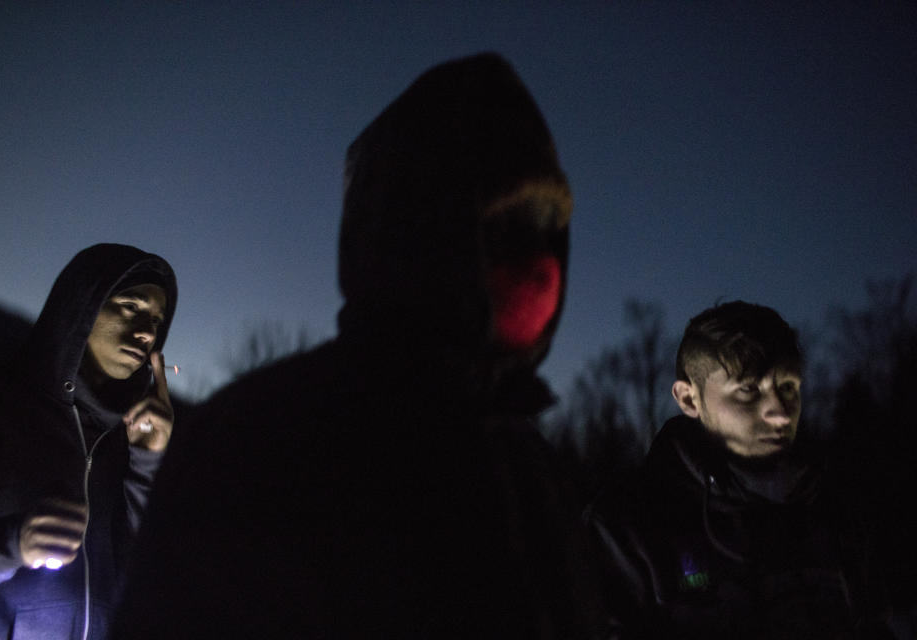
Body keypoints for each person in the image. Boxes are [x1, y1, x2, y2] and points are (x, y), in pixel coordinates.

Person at [113, 53, 601, 638]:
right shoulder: (259, 442)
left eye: (543, 228)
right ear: (415, 228)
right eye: (500, 228)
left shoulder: (529, 465)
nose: (536, 268)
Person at [586, 301, 895, 638]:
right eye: (748, 390)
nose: (780, 412)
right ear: (689, 399)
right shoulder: (629, 525)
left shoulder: (833, 512)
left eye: (788, 387)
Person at [0, 243, 177, 639]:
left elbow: (148, 581)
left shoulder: (131, 440)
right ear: (82, 307)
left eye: (157, 321)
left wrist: (148, 464)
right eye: (130, 306)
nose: (146, 332)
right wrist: (12, 545)